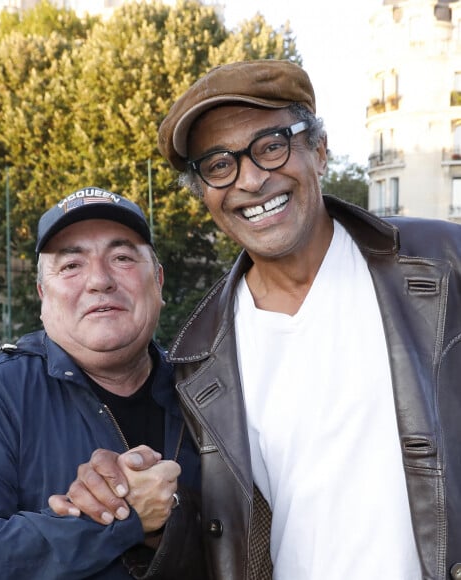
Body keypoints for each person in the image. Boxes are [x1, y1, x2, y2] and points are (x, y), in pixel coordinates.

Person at [60, 61, 461, 579]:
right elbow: (219, 533)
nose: (250, 180)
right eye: (219, 164)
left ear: (318, 150)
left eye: (271, 146)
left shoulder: (444, 264)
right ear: (203, 191)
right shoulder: (199, 358)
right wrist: (136, 500)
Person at [0, 186, 204, 579]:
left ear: (159, 281)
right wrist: (117, 519)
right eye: (71, 266)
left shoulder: (206, 391)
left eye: (121, 258)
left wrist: (171, 519)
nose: (99, 280)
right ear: (42, 295)